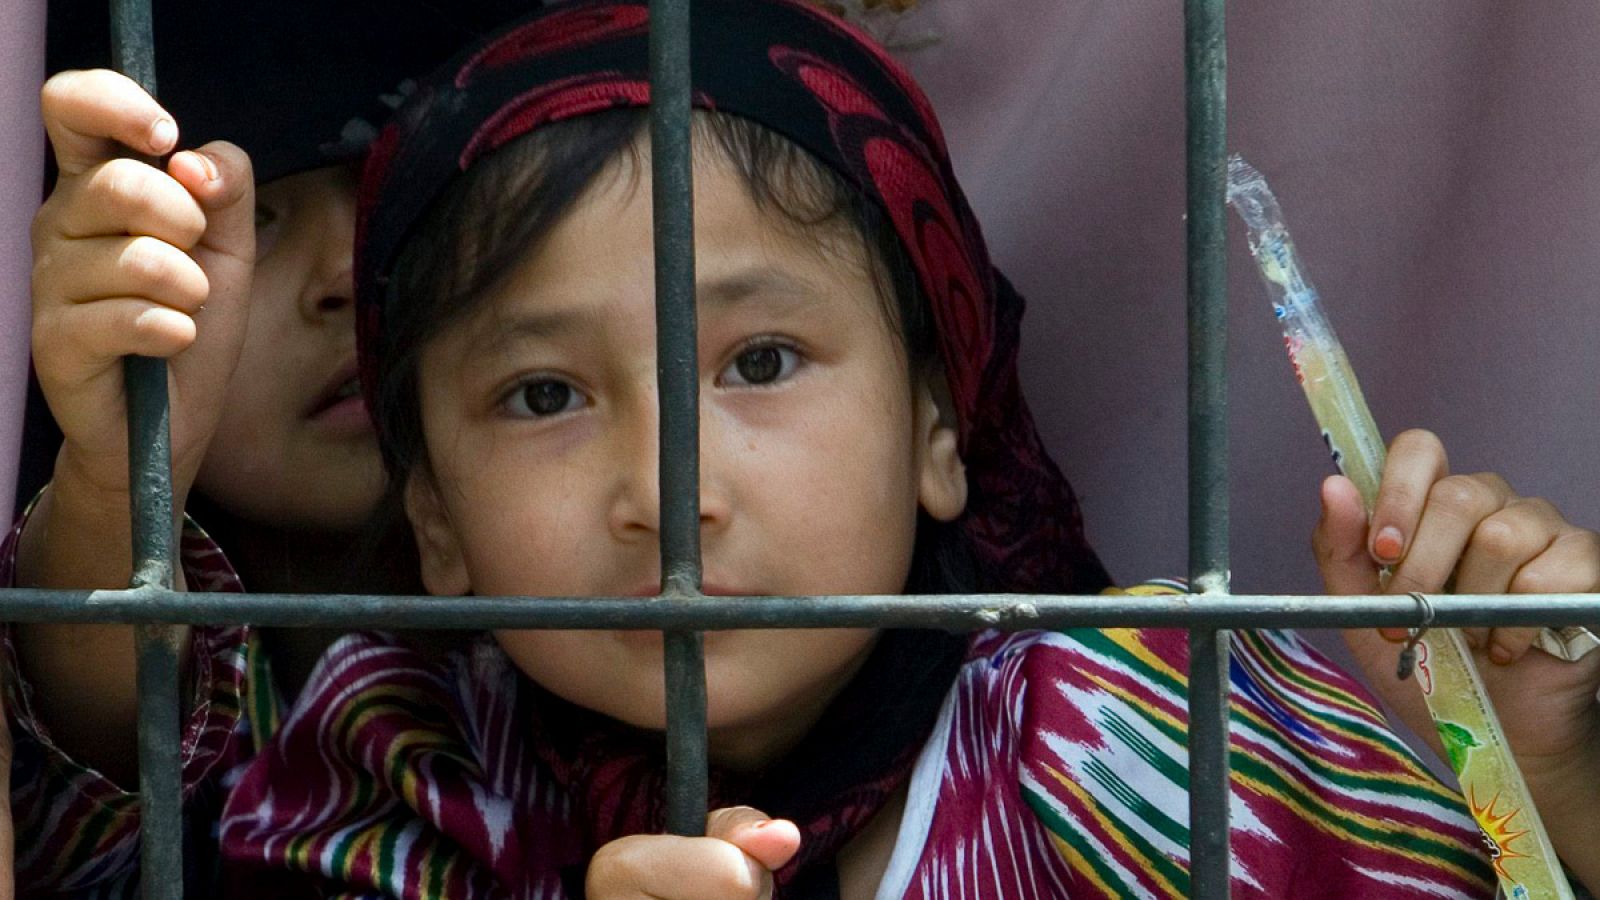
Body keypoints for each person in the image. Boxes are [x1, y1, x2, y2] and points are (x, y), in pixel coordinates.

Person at [213, 2, 1600, 897]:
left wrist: (1555, 792)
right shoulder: (393, 765)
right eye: (540, 396)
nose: (666, 492)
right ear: (435, 522)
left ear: (944, 428)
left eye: (760, 364)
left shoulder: (1134, 735)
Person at [2, 2, 527, 893]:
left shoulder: (608, 653)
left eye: (378, 182)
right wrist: (114, 477)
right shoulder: (163, 695)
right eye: (254, 218)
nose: (344, 274)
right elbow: (75, 761)